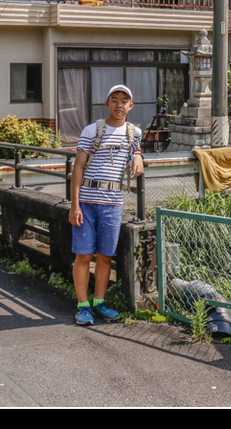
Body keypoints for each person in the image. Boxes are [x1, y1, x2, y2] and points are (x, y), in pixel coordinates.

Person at [69, 84, 143, 325]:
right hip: (87, 202)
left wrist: (139, 155)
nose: (119, 105)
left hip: (113, 203)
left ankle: (99, 303)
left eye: (124, 100)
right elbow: (78, 168)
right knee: (83, 255)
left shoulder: (134, 133)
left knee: (104, 256)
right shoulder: (92, 130)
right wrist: (74, 205)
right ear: (107, 103)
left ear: (130, 106)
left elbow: (136, 149)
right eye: (114, 99)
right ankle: (83, 306)